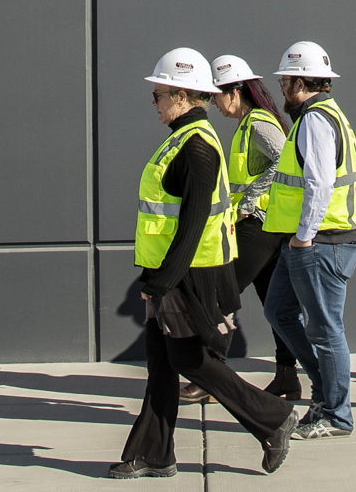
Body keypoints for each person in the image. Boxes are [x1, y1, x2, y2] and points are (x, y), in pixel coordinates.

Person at [114, 48, 303, 479]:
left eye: (159, 94)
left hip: (190, 275)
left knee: (189, 359)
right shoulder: (182, 139)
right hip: (175, 272)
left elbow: (194, 225)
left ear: (181, 96)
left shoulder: (197, 147)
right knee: (163, 362)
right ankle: (153, 454)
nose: (154, 102)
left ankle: (273, 419)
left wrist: (162, 282)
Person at [259, 41, 356, 439]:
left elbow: (319, 183)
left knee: (325, 329)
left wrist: (303, 237)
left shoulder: (316, 120)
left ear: (300, 83)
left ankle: (336, 415)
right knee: (279, 311)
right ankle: (324, 391)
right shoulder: (321, 115)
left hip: (323, 241)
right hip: (310, 241)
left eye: (285, 82)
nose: (282, 89)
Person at [210, 53, 303, 402]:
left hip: (259, 226)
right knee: (276, 307)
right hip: (262, 225)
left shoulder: (259, 123)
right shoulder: (247, 125)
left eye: (217, 95)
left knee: (219, 296)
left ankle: (209, 376)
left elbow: (284, 160)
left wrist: (249, 200)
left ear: (235, 92)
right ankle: (287, 377)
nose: (215, 103)